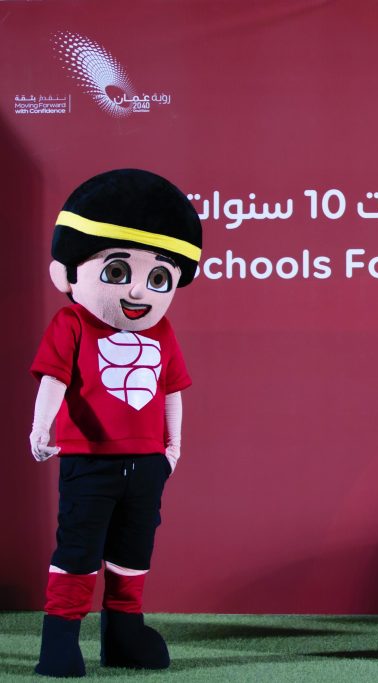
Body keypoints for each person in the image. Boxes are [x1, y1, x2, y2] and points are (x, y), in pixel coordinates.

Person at [29, 169, 203, 677]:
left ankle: (124, 633)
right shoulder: (72, 323)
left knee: (133, 549)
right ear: (68, 274)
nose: (139, 292)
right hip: (89, 460)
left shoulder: (162, 330)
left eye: (158, 279)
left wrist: (172, 448)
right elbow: (54, 379)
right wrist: (41, 429)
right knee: (79, 548)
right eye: (118, 271)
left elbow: (171, 390)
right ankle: (60, 637)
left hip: (146, 463)